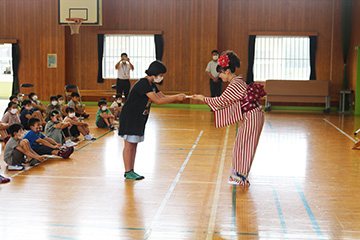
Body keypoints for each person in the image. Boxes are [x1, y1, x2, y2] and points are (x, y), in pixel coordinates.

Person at [193, 51, 266, 186]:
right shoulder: (236, 82)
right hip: (253, 115)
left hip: (253, 116)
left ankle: (240, 176)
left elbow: (221, 101)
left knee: (245, 145)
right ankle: (238, 174)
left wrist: (202, 98)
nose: (219, 76)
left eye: (220, 73)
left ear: (227, 71)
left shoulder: (235, 84)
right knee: (241, 144)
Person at [119, 60, 186, 180]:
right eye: (160, 75)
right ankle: (127, 171)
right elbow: (158, 101)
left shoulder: (151, 85)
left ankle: (131, 170)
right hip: (130, 117)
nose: (161, 77)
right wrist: (176, 97)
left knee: (134, 144)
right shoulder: (143, 83)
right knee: (129, 144)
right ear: (154, 73)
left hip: (139, 117)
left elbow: (162, 97)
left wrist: (179, 96)